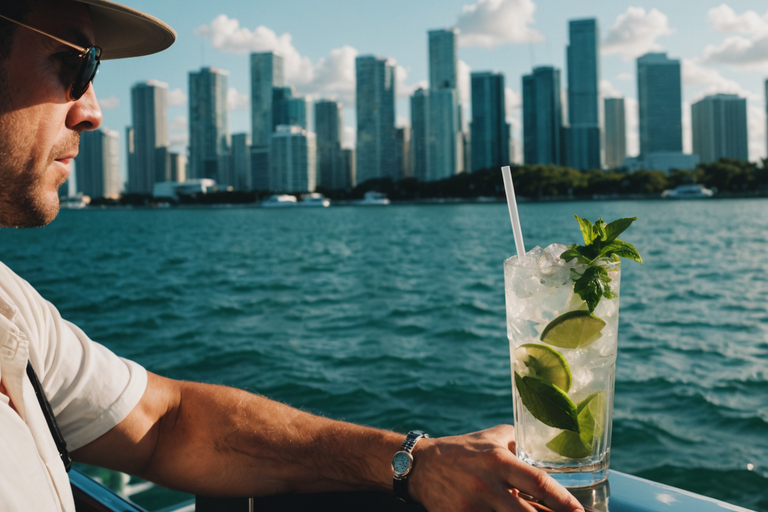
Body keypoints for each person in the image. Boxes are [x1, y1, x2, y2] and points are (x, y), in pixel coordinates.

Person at [0, 1, 585, 511]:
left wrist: (414, 462)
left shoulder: (12, 311)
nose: (93, 110)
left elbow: (166, 423)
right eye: (76, 66)